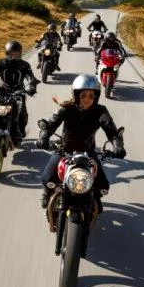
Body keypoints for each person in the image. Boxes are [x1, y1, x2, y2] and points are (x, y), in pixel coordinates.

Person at [37, 74, 126, 212]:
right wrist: (44, 137)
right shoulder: (67, 108)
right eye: (83, 96)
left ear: (96, 97)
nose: (87, 100)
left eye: (91, 96)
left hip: (88, 153)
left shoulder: (100, 111)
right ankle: (47, 193)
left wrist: (117, 145)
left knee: (103, 186)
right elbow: (51, 124)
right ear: (76, 95)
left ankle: (96, 197)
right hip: (64, 150)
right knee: (46, 178)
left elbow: (111, 130)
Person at [0, 40, 38, 144]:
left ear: (20, 54)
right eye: (11, 54)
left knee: (22, 113)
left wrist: (32, 86)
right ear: (7, 53)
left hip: (19, 91)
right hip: (3, 90)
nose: (14, 56)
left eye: (16, 54)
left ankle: (20, 131)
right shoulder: (1, 63)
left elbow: (30, 76)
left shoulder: (24, 65)